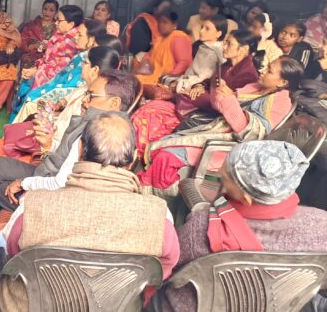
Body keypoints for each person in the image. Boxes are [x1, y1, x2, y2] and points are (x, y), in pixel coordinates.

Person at [0, 113, 179, 311]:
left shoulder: (34, 205)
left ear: (80, 149)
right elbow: (163, 268)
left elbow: (13, 253)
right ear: (133, 157)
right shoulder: (159, 217)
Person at [156, 140, 327, 312]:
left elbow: (168, 267)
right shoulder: (322, 225)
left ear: (246, 199)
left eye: (224, 178)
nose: (218, 174)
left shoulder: (202, 229)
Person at [0, 70, 141, 232]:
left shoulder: (93, 133)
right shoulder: (123, 131)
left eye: (91, 95)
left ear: (114, 103)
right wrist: (48, 146)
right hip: (53, 178)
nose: (84, 100)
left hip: (54, 197)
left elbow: (60, 183)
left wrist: (22, 183)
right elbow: (67, 163)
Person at [139, 57, 304, 192]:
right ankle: (153, 186)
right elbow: (220, 106)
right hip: (217, 131)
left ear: (282, 82)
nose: (262, 71)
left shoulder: (280, 103)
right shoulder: (255, 87)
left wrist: (229, 99)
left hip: (230, 146)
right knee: (162, 145)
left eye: (269, 70)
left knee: (166, 156)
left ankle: (160, 195)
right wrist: (219, 91)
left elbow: (251, 134)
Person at [10, 19, 105, 121]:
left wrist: (45, 97)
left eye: (80, 35)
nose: (75, 37)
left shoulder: (88, 61)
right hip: (57, 95)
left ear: (91, 40)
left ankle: (16, 129)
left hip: (62, 105)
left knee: (31, 104)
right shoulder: (80, 56)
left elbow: (71, 87)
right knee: (29, 93)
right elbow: (60, 77)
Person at [9, 44, 121, 124]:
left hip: (57, 130)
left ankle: (11, 139)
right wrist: (59, 104)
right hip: (56, 116)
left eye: (85, 63)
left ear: (95, 70)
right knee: (32, 104)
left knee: (31, 107)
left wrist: (52, 116)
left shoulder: (94, 96)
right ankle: (11, 136)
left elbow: (69, 123)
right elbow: (69, 100)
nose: (81, 66)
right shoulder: (86, 86)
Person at [175, 29, 260, 117]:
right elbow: (210, 81)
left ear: (244, 49)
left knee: (186, 95)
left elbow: (230, 104)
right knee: (185, 94)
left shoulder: (249, 74)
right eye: (225, 42)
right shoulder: (226, 65)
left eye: (229, 44)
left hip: (222, 114)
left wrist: (200, 95)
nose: (224, 47)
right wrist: (199, 87)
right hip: (210, 103)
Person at [21, 5, 86, 90]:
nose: (56, 23)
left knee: (25, 89)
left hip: (54, 84)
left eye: (59, 20)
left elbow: (61, 70)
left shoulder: (72, 42)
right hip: (42, 72)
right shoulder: (59, 35)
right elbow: (48, 59)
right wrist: (35, 67)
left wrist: (36, 72)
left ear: (71, 24)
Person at [170, 15, 229, 95]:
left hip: (202, 87)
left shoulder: (219, 52)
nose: (201, 31)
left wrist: (184, 83)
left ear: (218, 34)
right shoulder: (203, 46)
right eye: (202, 27)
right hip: (189, 80)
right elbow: (192, 71)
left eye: (207, 29)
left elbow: (205, 77)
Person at [135, 11, 193, 86]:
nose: (161, 25)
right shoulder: (160, 38)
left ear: (174, 25)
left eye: (165, 22)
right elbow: (149, 56)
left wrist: (168, 76)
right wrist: (144, 64)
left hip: (169, 78)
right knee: (133, 78)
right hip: (155, 75)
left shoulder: (179, 37)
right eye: (160, 22)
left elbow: (184, 62)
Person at [19, 0, 59, 68]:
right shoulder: (31, 25)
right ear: (42, 9)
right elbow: (22, 43)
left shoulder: (58, 27)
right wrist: (35, 46)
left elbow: (61, 45)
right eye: (45, 9)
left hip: (50, 59)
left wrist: (49, 47)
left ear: (55, 13)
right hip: (31, 58)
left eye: (51, 10)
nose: (47, 12)